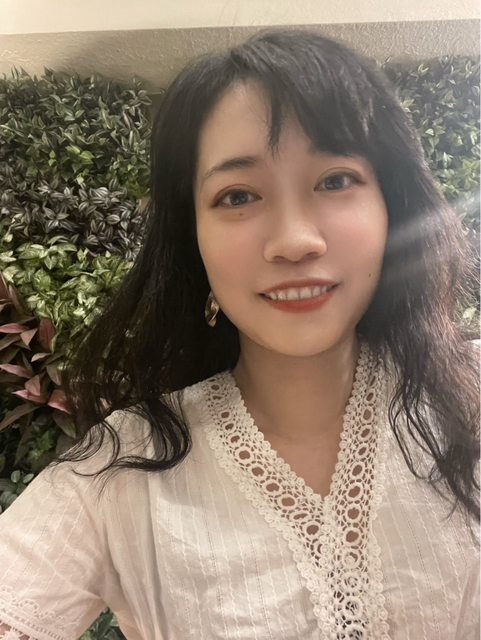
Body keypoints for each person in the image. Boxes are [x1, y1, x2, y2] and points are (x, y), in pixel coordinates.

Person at [0, 29, 479, 640]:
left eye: (335, 180)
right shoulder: (124, 469)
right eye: (237, 195)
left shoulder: (469, 396)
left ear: (393, 206)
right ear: (192, 240)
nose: (295, 241)